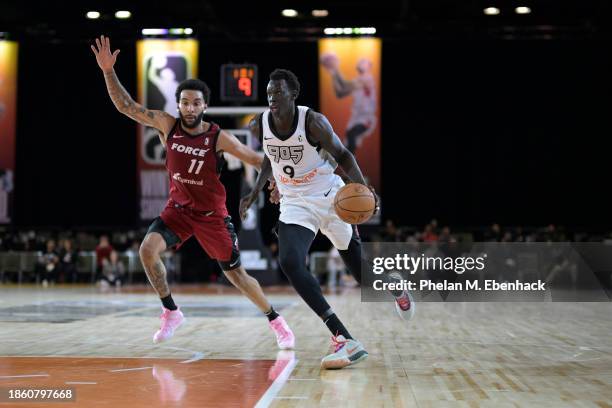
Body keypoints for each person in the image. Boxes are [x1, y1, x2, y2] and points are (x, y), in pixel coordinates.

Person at [91, 35, 294, 348]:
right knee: (147, 250)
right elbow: (125, 106)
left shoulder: (216, 136)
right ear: (179, 104)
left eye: (196, 102)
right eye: (185, 102)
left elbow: (255, 158)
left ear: (205, 106)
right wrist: (108, 71)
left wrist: (279, 179)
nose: (189, 107)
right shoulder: (166, 124)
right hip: (178, 211)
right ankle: (171, 312)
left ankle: (276, 321)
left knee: (237, 276)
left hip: (213, 216)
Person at [240, 68, 414, 370]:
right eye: (268, 93)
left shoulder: (314, 122)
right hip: (295, 202)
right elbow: (270, 156)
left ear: (293, 95)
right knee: (290, 262)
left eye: (278, 93)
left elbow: (345, 156)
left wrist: (366, 191)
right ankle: (344, 338)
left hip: (329, 197)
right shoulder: (259, 125)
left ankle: (394, 286)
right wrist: (257, 190)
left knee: (363, 276)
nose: (272, 98)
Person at [320, 54, 377, 154]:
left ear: (368, 66)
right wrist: (333, 74)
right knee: (345, 146)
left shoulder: (368, 79)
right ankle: (349, 165)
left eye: (364, 61)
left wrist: (335, 69)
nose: (361, 62)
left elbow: (344, 84)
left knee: (351, 135)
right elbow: (340, 93)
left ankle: (351, 165)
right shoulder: (358, 81)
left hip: (366, 118)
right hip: (356, 118)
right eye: (361, 61)